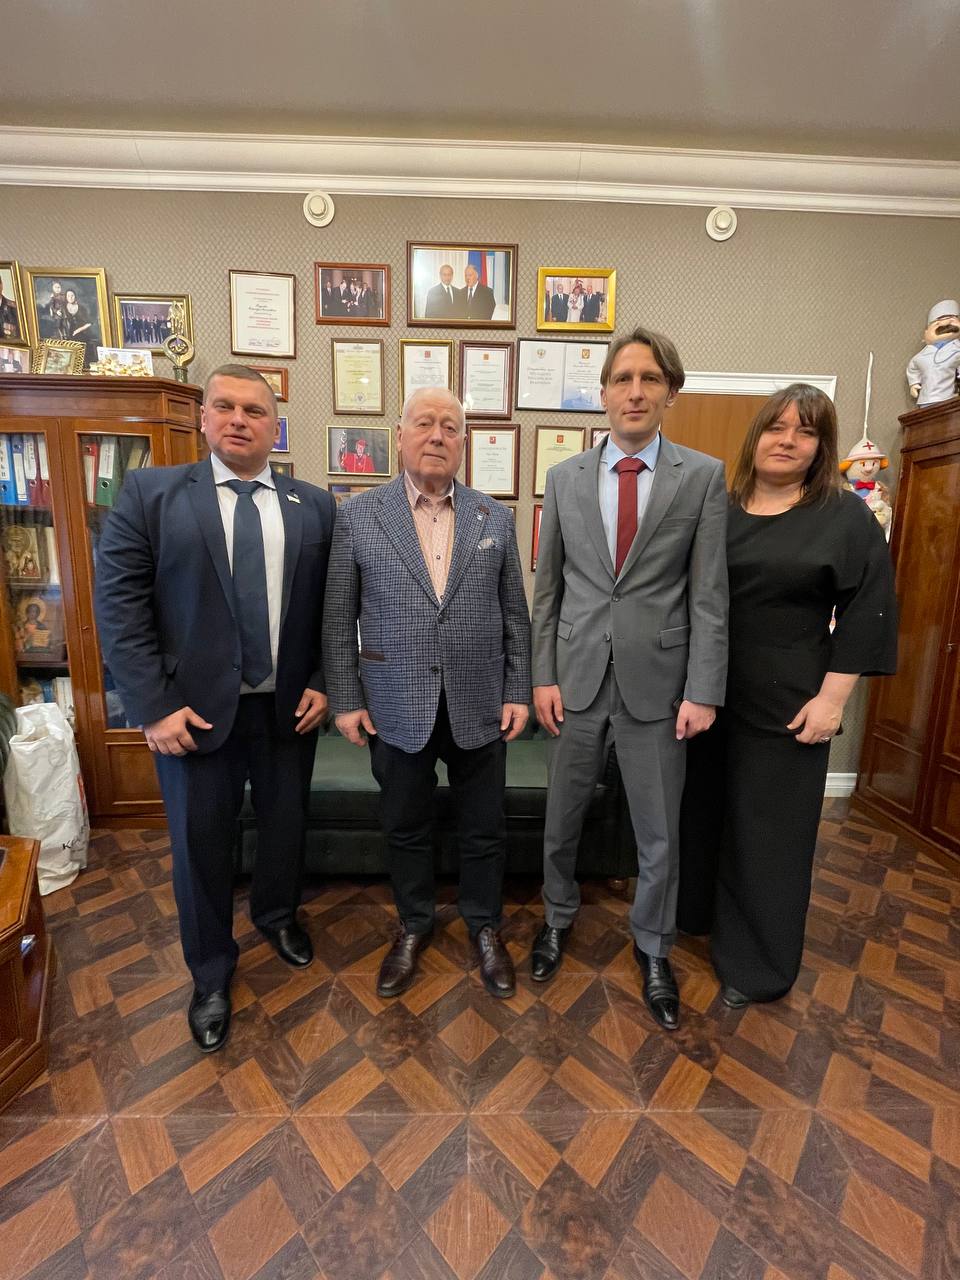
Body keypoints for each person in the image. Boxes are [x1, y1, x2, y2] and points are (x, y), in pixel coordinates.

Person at [94, 364, 336, 1053]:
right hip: (192, 717)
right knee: (200, 847)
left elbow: (332, 606)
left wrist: (324, 678)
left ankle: (276, 917)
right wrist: (153, 707)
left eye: (254, 410)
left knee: (285, 828)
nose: (238, 419)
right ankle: (209, 973)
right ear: (203, 418)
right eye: (224, 406)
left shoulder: (315, 506)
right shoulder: (152, 495)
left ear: (274, 426)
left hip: (287, 710)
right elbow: (119, 608)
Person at [528, 326, 728, 1032]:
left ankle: (653, 947)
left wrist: (703, 689)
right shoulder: (565, 478)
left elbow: (709, 595)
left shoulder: (701, 477)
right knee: (562, 819)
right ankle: (556, 918)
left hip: (661, 687)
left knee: (658, 832)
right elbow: (548, 589)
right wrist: (542, 675)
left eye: (650, 379)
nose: (635, 391)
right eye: (622, 379)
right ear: (604, 392)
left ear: (671, 392)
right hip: (575, 679)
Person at [678, 384, 897, 1008]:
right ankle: (697, 922)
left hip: (790, 702)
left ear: (821, 446)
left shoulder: (844, 516)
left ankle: (757, 966)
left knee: (768, 834)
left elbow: (868, 613)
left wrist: (833, 701)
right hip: (708, 693)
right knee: (703, 814)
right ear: (756, 437)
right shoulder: (720, 509)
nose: (788, 441)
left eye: (805, 431)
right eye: (777, 428)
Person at [323, 386, 531, 1000]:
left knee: (485, 828)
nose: (437, 435)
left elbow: (514, 615)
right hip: (393, 703)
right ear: (400, 436)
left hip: (479, 702)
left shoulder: (495, 518)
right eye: (424, 423)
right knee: (405, 826)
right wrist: (346, 700)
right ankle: (414, 924)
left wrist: (518, 689)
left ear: (463, 442)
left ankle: (484, 925)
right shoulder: (358, 516)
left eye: (449, 426)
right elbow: (338, 617)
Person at [63, 288, 97, 365]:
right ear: (66, 297)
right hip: (67, 333)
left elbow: (89, 323)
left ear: (75, 296)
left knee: (81, 344)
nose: (70, 297)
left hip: (81, 333)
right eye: (68, 296)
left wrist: (78, 330)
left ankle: (83, 365)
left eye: (72, 295)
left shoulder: (82, 308)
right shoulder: (63, 308)